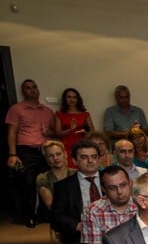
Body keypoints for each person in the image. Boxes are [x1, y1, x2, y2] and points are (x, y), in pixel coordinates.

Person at [50, 139, 102, 244]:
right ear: (74, 160)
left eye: (94, 157)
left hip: (113, 232)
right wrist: (77, 225)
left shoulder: (110, 180)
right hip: (81, 236)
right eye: (84, 157)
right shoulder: (64, 186)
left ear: (99, 159)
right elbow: (56, 217)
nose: (90, 161)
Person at [6, 79, 55, 227]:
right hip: (26, 150)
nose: (32, 90)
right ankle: (29, 216)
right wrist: (12, 154)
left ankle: (44, 214)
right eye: (28, 88)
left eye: (34, 87)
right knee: (28, 183)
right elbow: (11, 132)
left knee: (46, 181)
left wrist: (50, 132)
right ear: (23, 91)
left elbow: (54, 132)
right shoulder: (16, 109)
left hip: (45, 150)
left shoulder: (47, 111)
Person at [53, 87, 94, 167]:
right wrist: (70, 130)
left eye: (74, 97)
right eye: (69, 97)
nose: (72, 99)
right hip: (66, 146)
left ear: (78, 99)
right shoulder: (59, 114)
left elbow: (92, 131)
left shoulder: (85, 114)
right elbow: (57, 133)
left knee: (83, 166)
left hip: (82, 145)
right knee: (68, 168)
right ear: (64, 99)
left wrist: (86, 132)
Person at [36, 140, 74, 214]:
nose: (55, 158)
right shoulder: (43, 178)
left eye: (58, 154)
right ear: (46, 159)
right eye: (50, 156)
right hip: (57, 216)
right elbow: (51, 206)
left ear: (65, 154)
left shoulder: (77, 173)